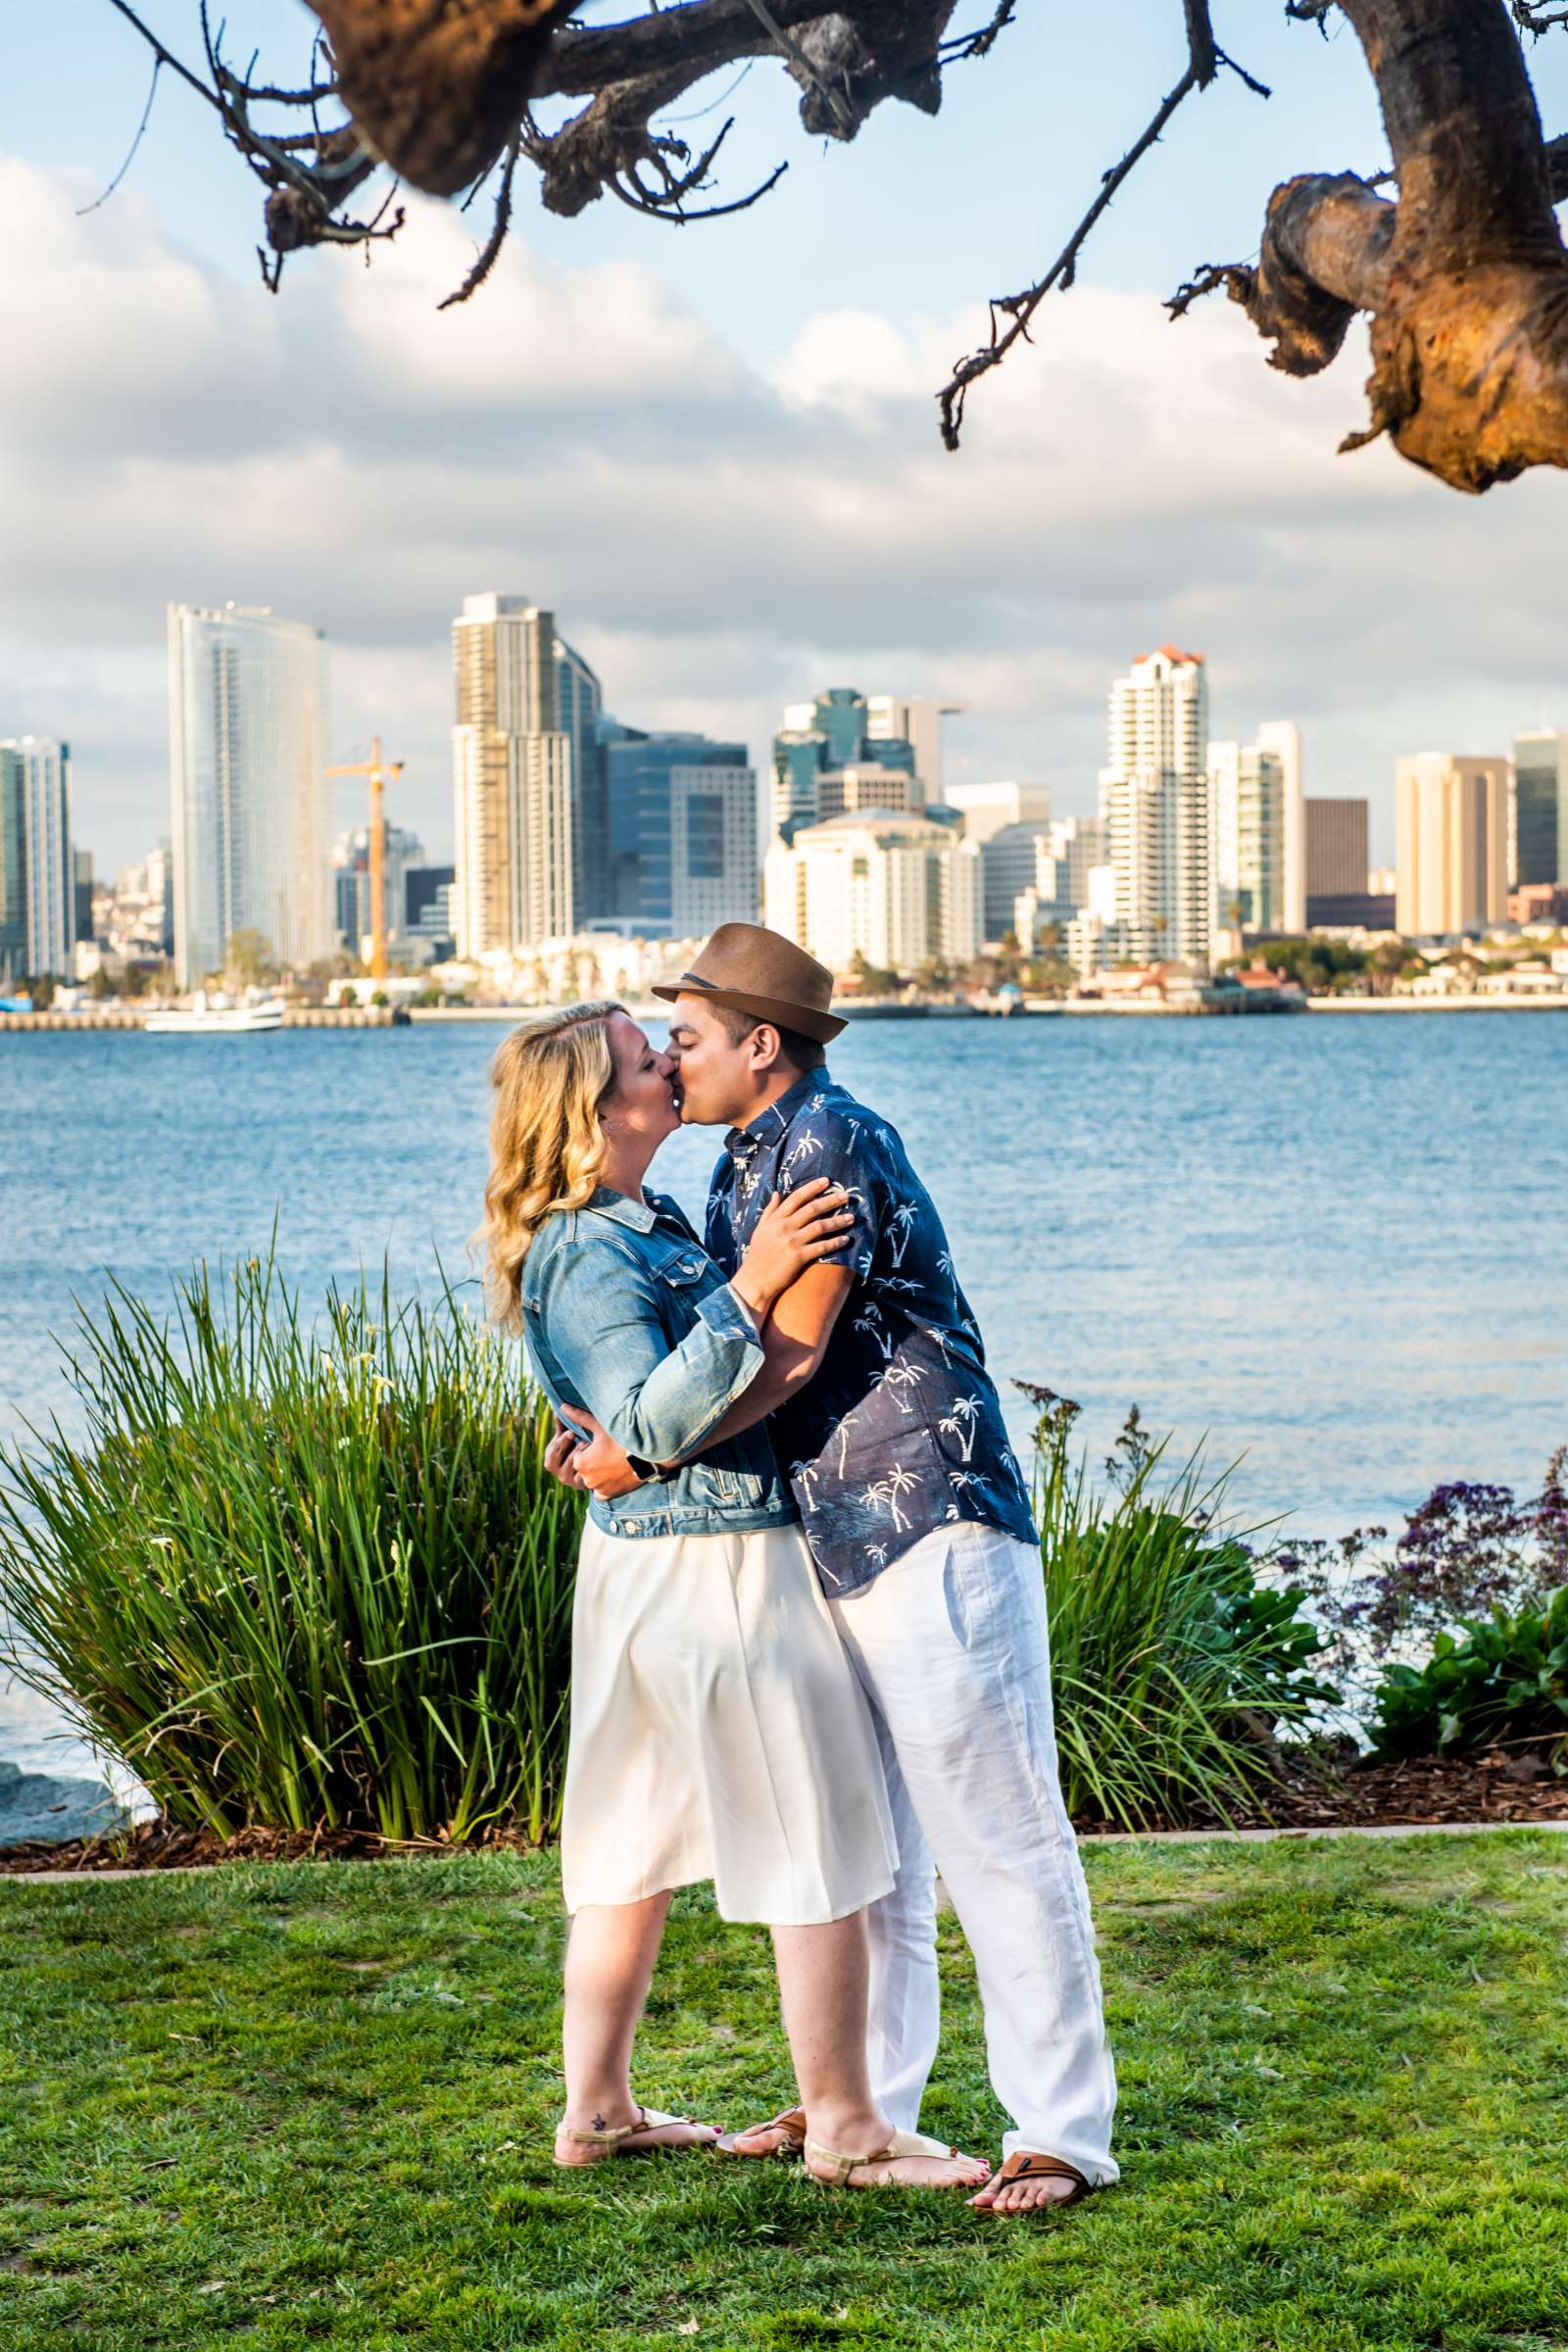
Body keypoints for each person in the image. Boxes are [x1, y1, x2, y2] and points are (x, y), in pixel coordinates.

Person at [549, 928, 1118, 2216]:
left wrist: (633, 1458)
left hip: (928, 1521)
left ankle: (1064, 2132)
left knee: (998, 1832)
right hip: (837, 1535)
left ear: (762, 1043)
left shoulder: (828, 1144)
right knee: (880, 1850)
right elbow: (718, 1339)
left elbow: (791, 1358)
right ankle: (863, 2105)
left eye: (686, 1039)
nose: (674, 1063)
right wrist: (628, 1422)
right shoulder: (742, 1167)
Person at [478, 1000, 992, 2193]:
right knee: (810, 1827)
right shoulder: (591, 1247)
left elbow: (622, 1421)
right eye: (642, 1059)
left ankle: (599, 2110)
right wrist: (753, 1279)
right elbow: (655, 1417)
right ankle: (847, 2128)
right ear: (599, 1112)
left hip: (651, 1569)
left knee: (632, 1841)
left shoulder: (634, 1220)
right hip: (712, 1573)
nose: (668, 1063)